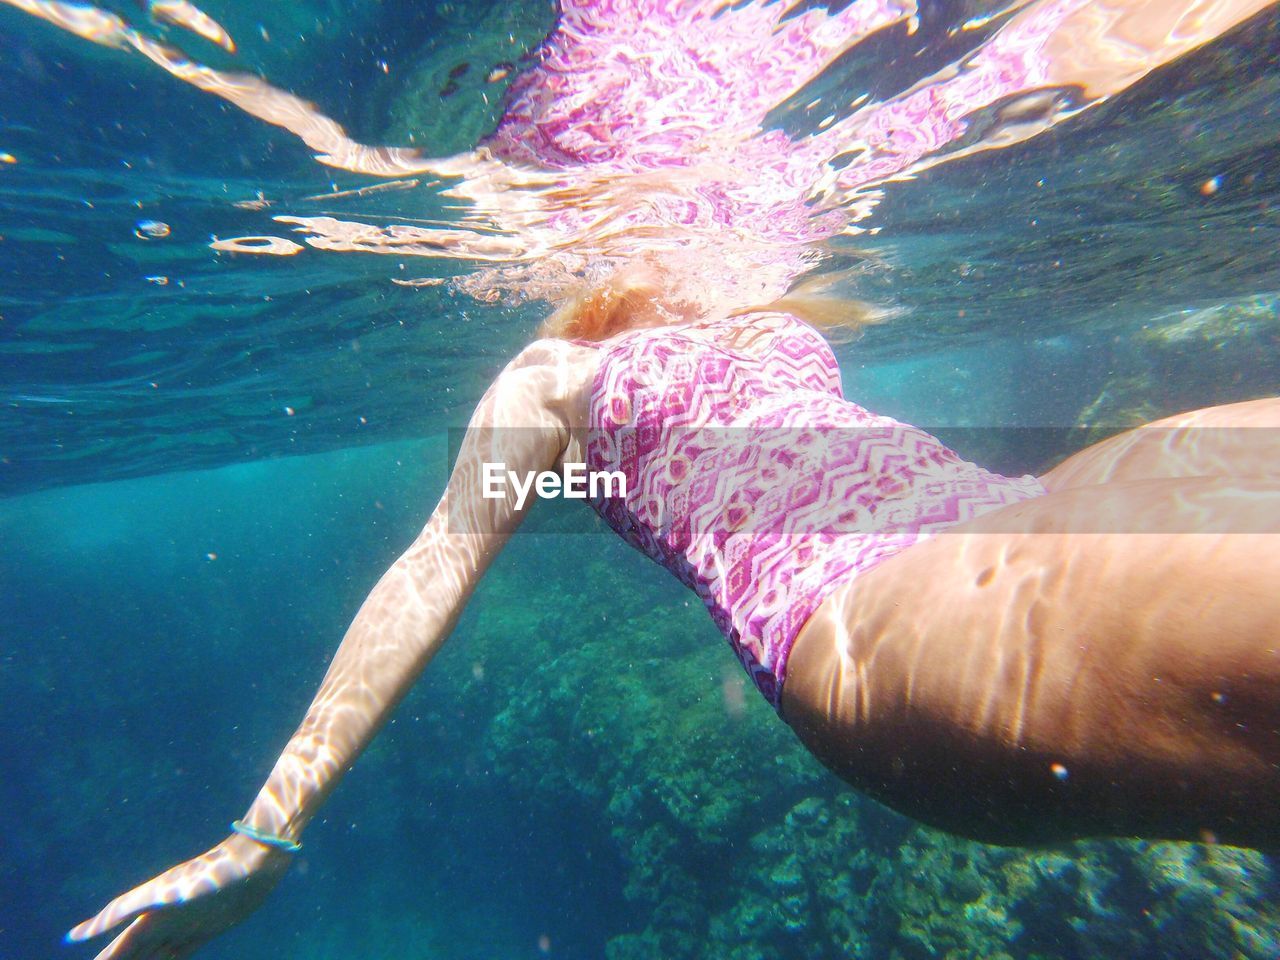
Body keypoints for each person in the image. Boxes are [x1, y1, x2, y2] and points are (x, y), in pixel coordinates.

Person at [67, 264, 1280, 958]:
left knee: (1187, 471)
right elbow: (434, 561)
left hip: (1003, 516)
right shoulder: (551, 377)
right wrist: (262, 831)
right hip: (879, 609)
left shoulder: (763, 302)